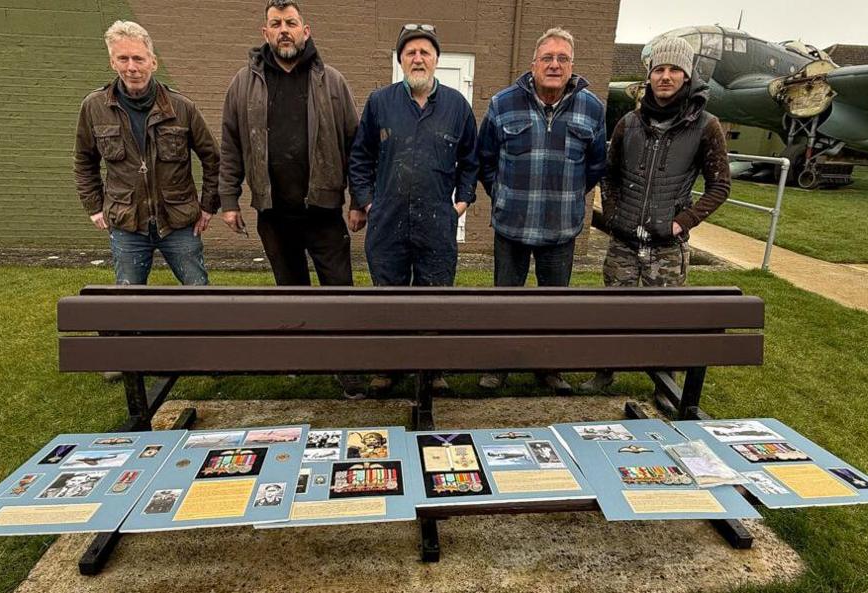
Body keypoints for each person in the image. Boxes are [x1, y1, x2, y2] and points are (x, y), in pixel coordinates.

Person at [218, 0, 364, 398]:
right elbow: (230, 145)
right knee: (291, 290)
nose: (284, 30)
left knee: (339, 291)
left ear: (306, 30)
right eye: (276, 23)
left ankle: (347, 366)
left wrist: (358, 199)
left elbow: (355, 142)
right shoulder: (242, 84)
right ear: (265, 32)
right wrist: (228, 199)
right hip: (273, 210)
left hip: (323, 210)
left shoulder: (331, 81)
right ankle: (301, 357)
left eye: (291, 23)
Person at [582, 35, 731, 393]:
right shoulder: (629, 124)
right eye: (659, 69)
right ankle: (605, 373)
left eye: (674, 70)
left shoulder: (705, 126)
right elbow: (610, 173)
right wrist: (614, 214)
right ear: (649, 76)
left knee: (667, 319)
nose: (665, 76)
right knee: (613, 315)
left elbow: (720, 186)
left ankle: (666, 386)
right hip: (624, 242)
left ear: (687, 76)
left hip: (668, 246)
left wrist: (683, 221)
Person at [348, 23, 478, 395]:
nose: (418, 58)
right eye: (410, 53)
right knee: (388, 297)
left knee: (435, 297)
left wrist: (463, 199)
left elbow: (471, 159)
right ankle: (389, 367)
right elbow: (360, 157)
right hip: (387, 220)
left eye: (425, 52)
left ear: (436, 59)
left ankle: (431, 369)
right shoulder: (380, 103)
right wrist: (367, 200)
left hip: (437, 221)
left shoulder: (457, 106)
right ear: (401, 60)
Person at [476, 27, 607, 395]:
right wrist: (501, 194)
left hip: (561, 230)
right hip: (511, 226)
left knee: (555, 307)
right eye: (547, 58)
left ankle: (548, 369)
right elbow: (485, 159)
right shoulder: (503, 103)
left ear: (572, 65)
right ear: (533, 64)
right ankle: (497, 367)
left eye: (562, 58)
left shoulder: (592, 108)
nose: (554, 64)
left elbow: (596, 166)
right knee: (505, 303)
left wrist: (567, 197)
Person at [74, 20, 220, 287]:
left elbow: (214, 159)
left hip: (179, 221)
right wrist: (94, 207)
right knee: (128, 301)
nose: (132, 67)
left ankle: (200, 331)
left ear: (153, 62)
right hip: (127, 224)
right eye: (124, 59)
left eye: (139, 58)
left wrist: (208, 206)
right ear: (112, 63)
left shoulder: (182, 107)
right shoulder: (94, 107)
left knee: (199, 293)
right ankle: (133, 332)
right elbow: (84, 161)